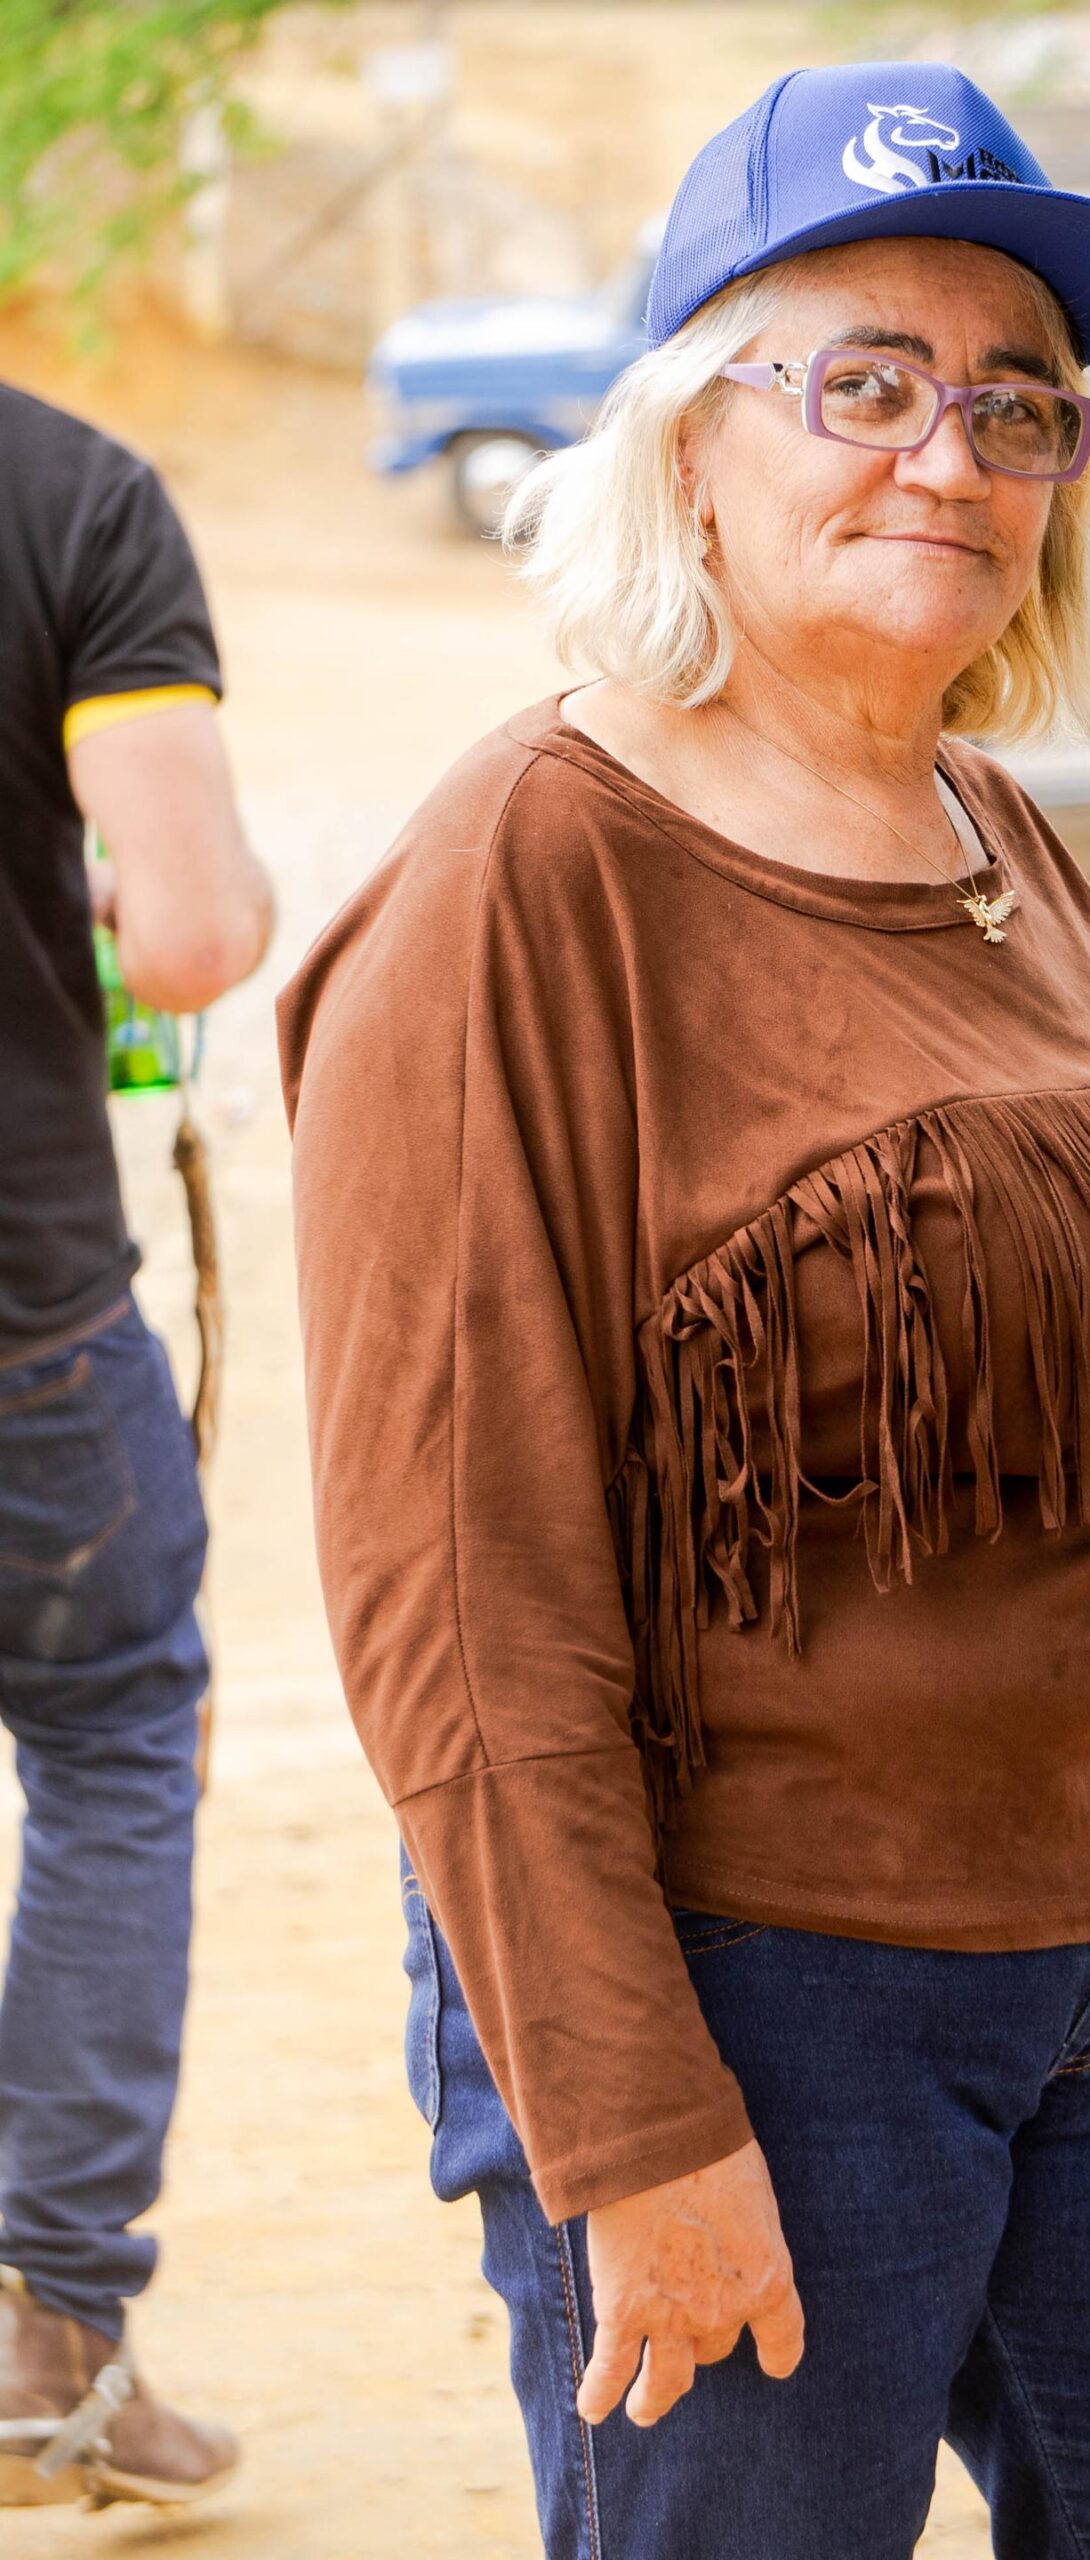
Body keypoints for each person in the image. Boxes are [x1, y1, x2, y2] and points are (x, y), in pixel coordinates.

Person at [281, 61, 1090, 2560]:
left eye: (1018, 404)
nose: (949, 456)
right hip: (758, 1995)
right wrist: (628, 2121)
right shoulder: (518, 885)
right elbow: (453, 1593)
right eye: (865, 381)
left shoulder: (984, 821)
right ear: (689, 439)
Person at [0, 381, 272, 2506]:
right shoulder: (71, 495)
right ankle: (44, 2334)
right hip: (25, 1322)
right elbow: (185, 931)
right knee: (110, 1744)